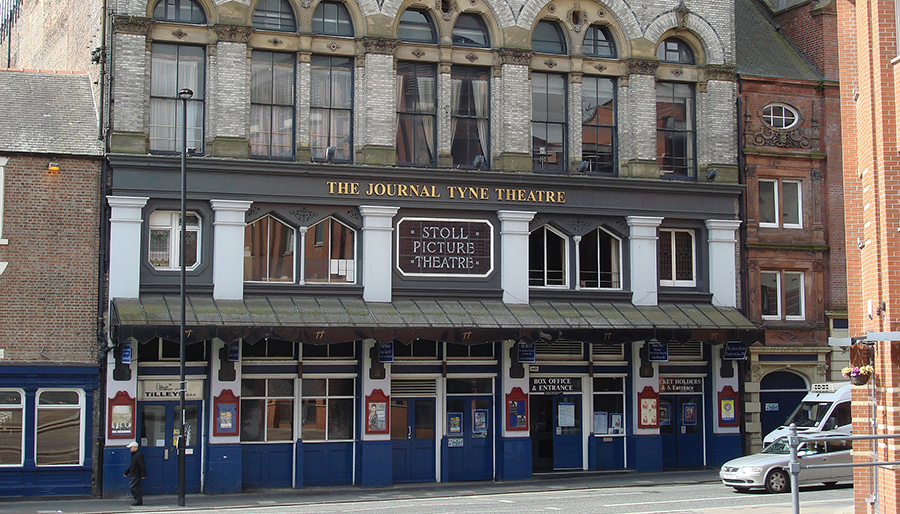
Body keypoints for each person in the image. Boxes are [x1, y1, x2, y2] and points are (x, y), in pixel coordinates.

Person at [123, 441, 146, 505]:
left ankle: (137, 499)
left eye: (131, 447)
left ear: (135, 447)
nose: (130, 449)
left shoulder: (138, 455)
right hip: (133, 473)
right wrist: (127, 472)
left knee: (132, 487)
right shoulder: (134, 455)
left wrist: (143, 474)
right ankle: (138, 500)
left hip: (136, 473)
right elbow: (132, 465)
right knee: (136, 487)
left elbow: (142, 465)